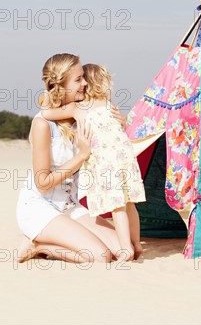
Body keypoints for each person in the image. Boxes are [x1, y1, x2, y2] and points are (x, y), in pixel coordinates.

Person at [16, 53, 123, 263]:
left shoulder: (81, 112)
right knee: (100, 256)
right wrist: (81, 155)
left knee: (121, 249)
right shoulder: (42, 125)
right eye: (78, 80)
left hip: (70, 206)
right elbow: (42, 183)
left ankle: (58, 236)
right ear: (61, 86)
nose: (85, 83)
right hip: (39, 207)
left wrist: (121, 122)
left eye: (83, 77)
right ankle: (38, 245)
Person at [41, 63, 146, 261]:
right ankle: (136, 243)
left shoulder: (80, 108)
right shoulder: (108, 104)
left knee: (118, 206)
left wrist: (50, 89)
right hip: (126, 160)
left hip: (107, 163)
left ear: (86, 84)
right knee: (130, 204)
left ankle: (126, 248)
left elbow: (46, 112)